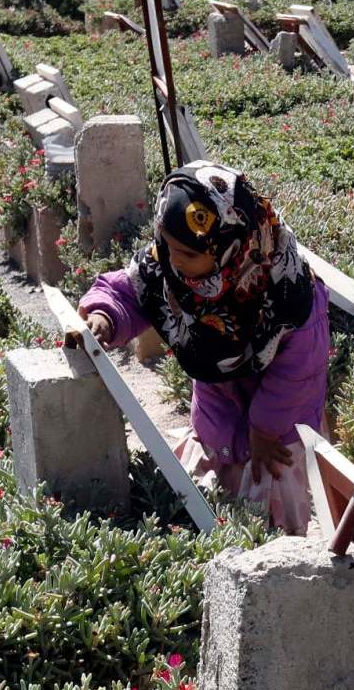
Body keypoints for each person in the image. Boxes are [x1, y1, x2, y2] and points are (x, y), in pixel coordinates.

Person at [69, 164, 330, 533]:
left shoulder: (289, 290)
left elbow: (301, 372)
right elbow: (130, 289)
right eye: (169, 247)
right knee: (214, 508)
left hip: (276, 436)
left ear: (230, 246)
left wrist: (266, 428)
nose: (175, 261)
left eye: (187, 254)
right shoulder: (173, 264)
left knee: (271, 522)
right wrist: (105, 316)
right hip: (217, 415)